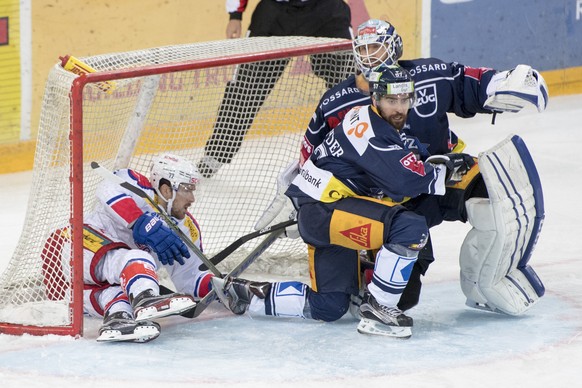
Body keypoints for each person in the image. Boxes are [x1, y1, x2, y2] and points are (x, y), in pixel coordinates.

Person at [261, 19, 548, 312]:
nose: (370, 56)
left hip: (432, 178)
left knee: (496, 193)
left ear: (395, 49)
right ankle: (359, 279)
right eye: (364, 49)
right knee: (404, 297)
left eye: (377, 47)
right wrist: (296, 197)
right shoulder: (335, 103)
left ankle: (485, 284)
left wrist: (500, 84)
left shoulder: (428, 76)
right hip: (379, 200)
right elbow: (314, 155)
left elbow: (465, 82)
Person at [212, 65, 476, 338]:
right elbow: (402, 182)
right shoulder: (370, 133)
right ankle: (379, 306)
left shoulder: (371, 119)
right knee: (410, 227)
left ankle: (248, 296)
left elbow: (403, 153)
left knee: (329, 306)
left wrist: (440, 159)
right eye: (391, 101)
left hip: (328, 211)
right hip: (325, 211)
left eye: (404, 100)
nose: (399, 108)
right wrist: (442, 171)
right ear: (375, 99)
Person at [44, 153, 214, 343]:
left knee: (120, 296)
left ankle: (118, 321)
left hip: (75, 293)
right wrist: (138, 221)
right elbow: (106, 187)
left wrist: (220, 287)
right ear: (167, 189)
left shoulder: (186, 229)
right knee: (139, 258)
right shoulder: (137, 185)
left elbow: (190, 278)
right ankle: (146, 299)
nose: (192, 198)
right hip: (73, 249)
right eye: (186, 190)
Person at [197, 0, 353, 178]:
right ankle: (215, 155)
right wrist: (235, 15)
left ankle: (351, 153)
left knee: (347, 87)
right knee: (245, 87)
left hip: (326, 10)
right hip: (274, 13)